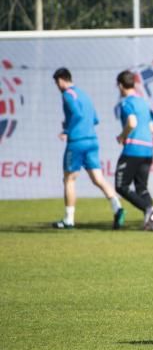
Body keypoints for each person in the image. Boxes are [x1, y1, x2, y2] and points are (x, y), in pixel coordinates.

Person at [51, 68, 123, 229]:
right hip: (92, 141)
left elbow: (77, 114)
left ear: (62, 80)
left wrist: (67, 130)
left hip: (77, 141)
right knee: (98, 178)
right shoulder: (84, 95)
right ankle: (117, 207)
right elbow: (95, 119)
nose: (57, 86)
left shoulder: (67, 94)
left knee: (69, 179)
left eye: (56, 82)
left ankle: (69, 219)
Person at [113, 70, 153, 231]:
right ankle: (152, 221)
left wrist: (122, 136)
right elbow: (152, 128)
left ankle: (147, 208)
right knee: (141, 187)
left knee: (121, 186)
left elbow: (131, 123)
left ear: (120, 85)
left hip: (134, 148)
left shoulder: (126, 103)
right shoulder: (143, 102)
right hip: (148, 149)